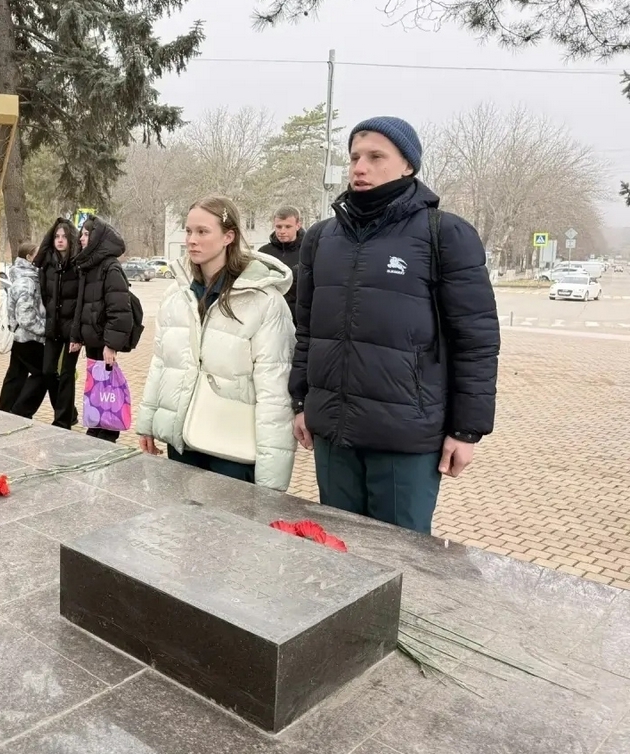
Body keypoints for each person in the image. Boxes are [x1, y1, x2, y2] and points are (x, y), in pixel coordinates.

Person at [291, 116, 500, 534]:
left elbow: (475, 340)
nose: (360, 167)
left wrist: (466, 430)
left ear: (407, 165)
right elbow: (307, 331)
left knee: (400, 558)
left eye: (375, 157)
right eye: (354, 157)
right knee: (338, 551)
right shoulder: (320, 238)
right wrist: (301, 403)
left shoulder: (446, 234)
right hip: (334, 433)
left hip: (405, 440)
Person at [137, 196, 296, 487]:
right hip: (182, 441)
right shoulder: (177, 295)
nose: (191, 240)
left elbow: (275, 392)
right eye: (188, 231)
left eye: (202, 231)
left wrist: (272, 482)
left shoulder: (264, 301)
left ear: (228, 237)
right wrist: (148, 422)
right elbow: (162, 363)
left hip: (232, 450)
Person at [13, 218, 82, 428]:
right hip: (52, 329)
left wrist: (77, 333)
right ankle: (67, 414)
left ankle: (63, 421)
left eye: (64, 237)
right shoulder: (48, 265)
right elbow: (44, 296)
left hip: (71, 330)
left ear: (71, 239)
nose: (60, 240)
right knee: (48, 371)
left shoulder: (78, 265)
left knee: (67, 374)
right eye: (56, 237)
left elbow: (81, 300)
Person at [71, 215, 134, 443]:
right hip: (92, 339)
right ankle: (98, 422)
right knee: (96, 384)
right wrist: (77, 336)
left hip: (103, 341)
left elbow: (120, 310)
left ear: (97, 238)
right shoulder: (89, 266)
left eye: (86, 234)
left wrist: (111, 345)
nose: (81, 238)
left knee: (107, 384)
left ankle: (108, 429)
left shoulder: (110, 267)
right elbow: (82, 305)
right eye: (81, 234)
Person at [0, 242, 47, 413]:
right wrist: (45, 330)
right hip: (29, 337)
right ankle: (21, 411)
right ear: (29, 257)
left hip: (21, 336)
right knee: (43, 373)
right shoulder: (27, 281)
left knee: (16, 375)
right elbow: (25, 316)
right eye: (38, 254)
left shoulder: (26, 277)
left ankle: (4, 410)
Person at [258, 206, 304, 322]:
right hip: (270, 316)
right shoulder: (264, 253)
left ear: (298, 225)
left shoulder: (308, 252)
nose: (282, 231)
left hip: (299, 318)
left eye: (288, 226)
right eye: (279, 226)